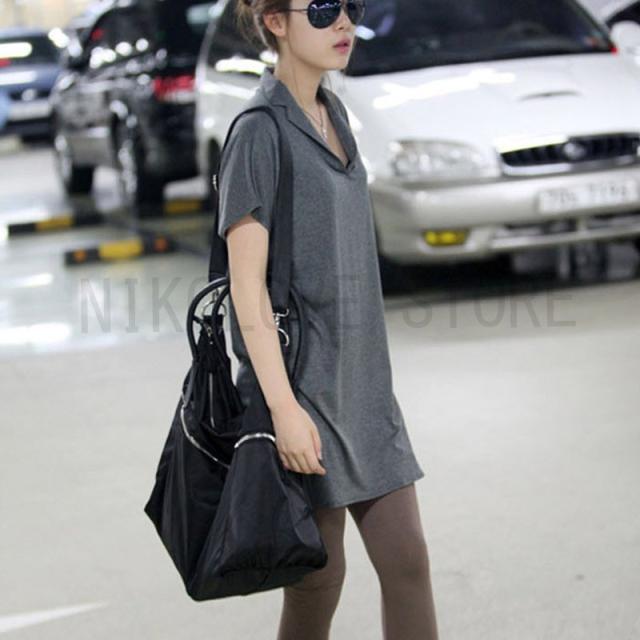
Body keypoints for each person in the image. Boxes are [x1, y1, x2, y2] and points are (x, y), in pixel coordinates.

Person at [216, 1, 440, 638]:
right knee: (318, 581)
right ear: (275, 22)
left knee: (407, 562)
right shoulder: (259, 131)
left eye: (351, 6)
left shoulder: (333, 111)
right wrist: (284, 410)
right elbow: (246, 287)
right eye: (320, 9)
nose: (343, 22)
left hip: (364, 387)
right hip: (305, 392)